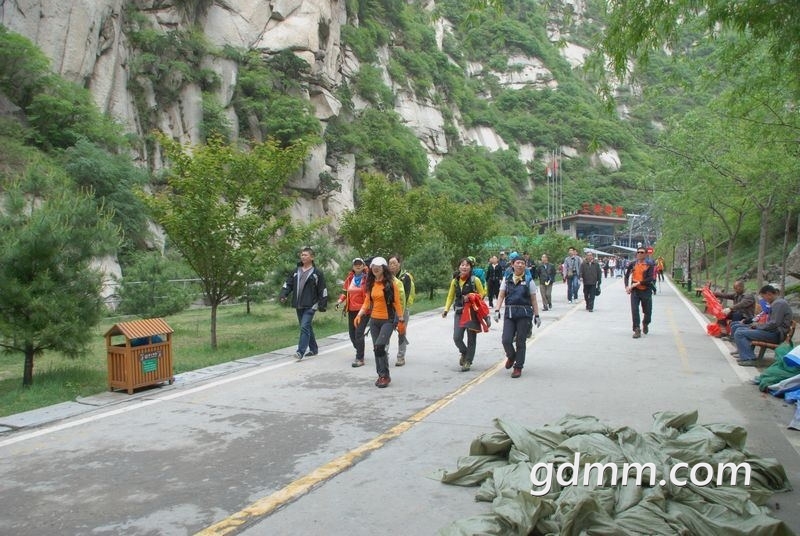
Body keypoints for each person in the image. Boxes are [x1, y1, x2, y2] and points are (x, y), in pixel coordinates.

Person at [354, 257, 404, 387]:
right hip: (374, 321)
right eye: (373, 267)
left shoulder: (390, 284)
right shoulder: (371, 284)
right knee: (377, 349)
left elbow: (397, 303)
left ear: (383, 268)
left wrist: (401, 319)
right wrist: (359, 314)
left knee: (380, 346)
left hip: (388, 320)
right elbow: (367, 302)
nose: (375, 268)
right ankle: (382, 375)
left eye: (379, 267)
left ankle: (385, 375)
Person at [494, 256, 541, 378]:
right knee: (506, 340)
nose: (520, 265)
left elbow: (533, 299)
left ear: (525, 266)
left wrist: (537, 315)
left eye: (522, 263)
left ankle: (518, 367)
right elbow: (501, 295)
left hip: (524, 314)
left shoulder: (529, 280)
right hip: (510, 313)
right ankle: (511, 356)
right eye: (518, 263)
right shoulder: (507, 279)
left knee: (520, 341)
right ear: (512, 264)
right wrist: (497, 310)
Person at [279, 246, 328, 360]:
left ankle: (300, 352)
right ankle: (314, 349)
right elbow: (288, 284)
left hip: (311, 305)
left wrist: (322, 304)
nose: (303, 257)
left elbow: (323, 289)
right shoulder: (296, 271)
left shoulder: (317, 273)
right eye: (302, 255)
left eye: (305, 255)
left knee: (304, 326)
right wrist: (283, 294)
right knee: (306, 327)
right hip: (298, 304)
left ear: (312, 257)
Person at [442, 258, 486, 371]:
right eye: (462, 265)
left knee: (471, 338)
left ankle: (468, 361)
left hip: (472, 313)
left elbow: (482, 294)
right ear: (459, 267)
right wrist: (446, 309)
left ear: (471, 267)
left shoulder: (475, 280)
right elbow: (450, 296)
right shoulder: (455, 281)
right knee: (457, 337)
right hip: (459, 311)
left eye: (467, 265)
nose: (464, 267)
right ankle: (464, 352)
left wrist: (472, 296)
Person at [733, 285, 794, 366]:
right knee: (740, 329)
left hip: (776, 334)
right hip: (773, 332)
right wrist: (757, 326)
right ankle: (746, 354)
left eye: (763, 297)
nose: (763, 300)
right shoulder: (777, 303)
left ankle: (749, 358)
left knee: (740, 333)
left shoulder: (779, 304)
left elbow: (774, 323)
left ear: (769, 294)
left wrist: (758, 326)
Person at [336, 258, 370, 367]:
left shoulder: (368, 278)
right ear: (353, 267)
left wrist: (365, 308)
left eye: (360, 264)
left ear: (364, 266)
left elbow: (369, 295)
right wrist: (339, 301)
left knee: (359, 333)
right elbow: (345, 293)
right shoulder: (350, 278)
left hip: (363, 311)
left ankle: (359, 358)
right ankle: (360, 349)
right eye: (356, 264)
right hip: (351, 310)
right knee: (352, 335)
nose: (358, 266)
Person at [388, 254, 415, 367]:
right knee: (387, 331)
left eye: (394, 263)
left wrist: (401, 314)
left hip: (403, 309)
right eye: (390, 263)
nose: (392, 265)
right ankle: (384, 354)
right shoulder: (386, 277)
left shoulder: (405, 277)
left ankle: (401, 356)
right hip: (390, 309)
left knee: (401, 332)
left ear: (399, 264)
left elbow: (406, 295)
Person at [624, 247, 655, 339]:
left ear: (645, 254)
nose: (640, 254)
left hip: (646, 290)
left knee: (647, 311)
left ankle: (645, 323)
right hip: (635, 291)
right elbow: (626, 276)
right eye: (638, 252)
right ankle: (636, 329)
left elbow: (650, 278)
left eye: (642, 252)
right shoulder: (633, 264)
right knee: (634, 310)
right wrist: (627, 286)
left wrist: (639, 283)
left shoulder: (649, 265)